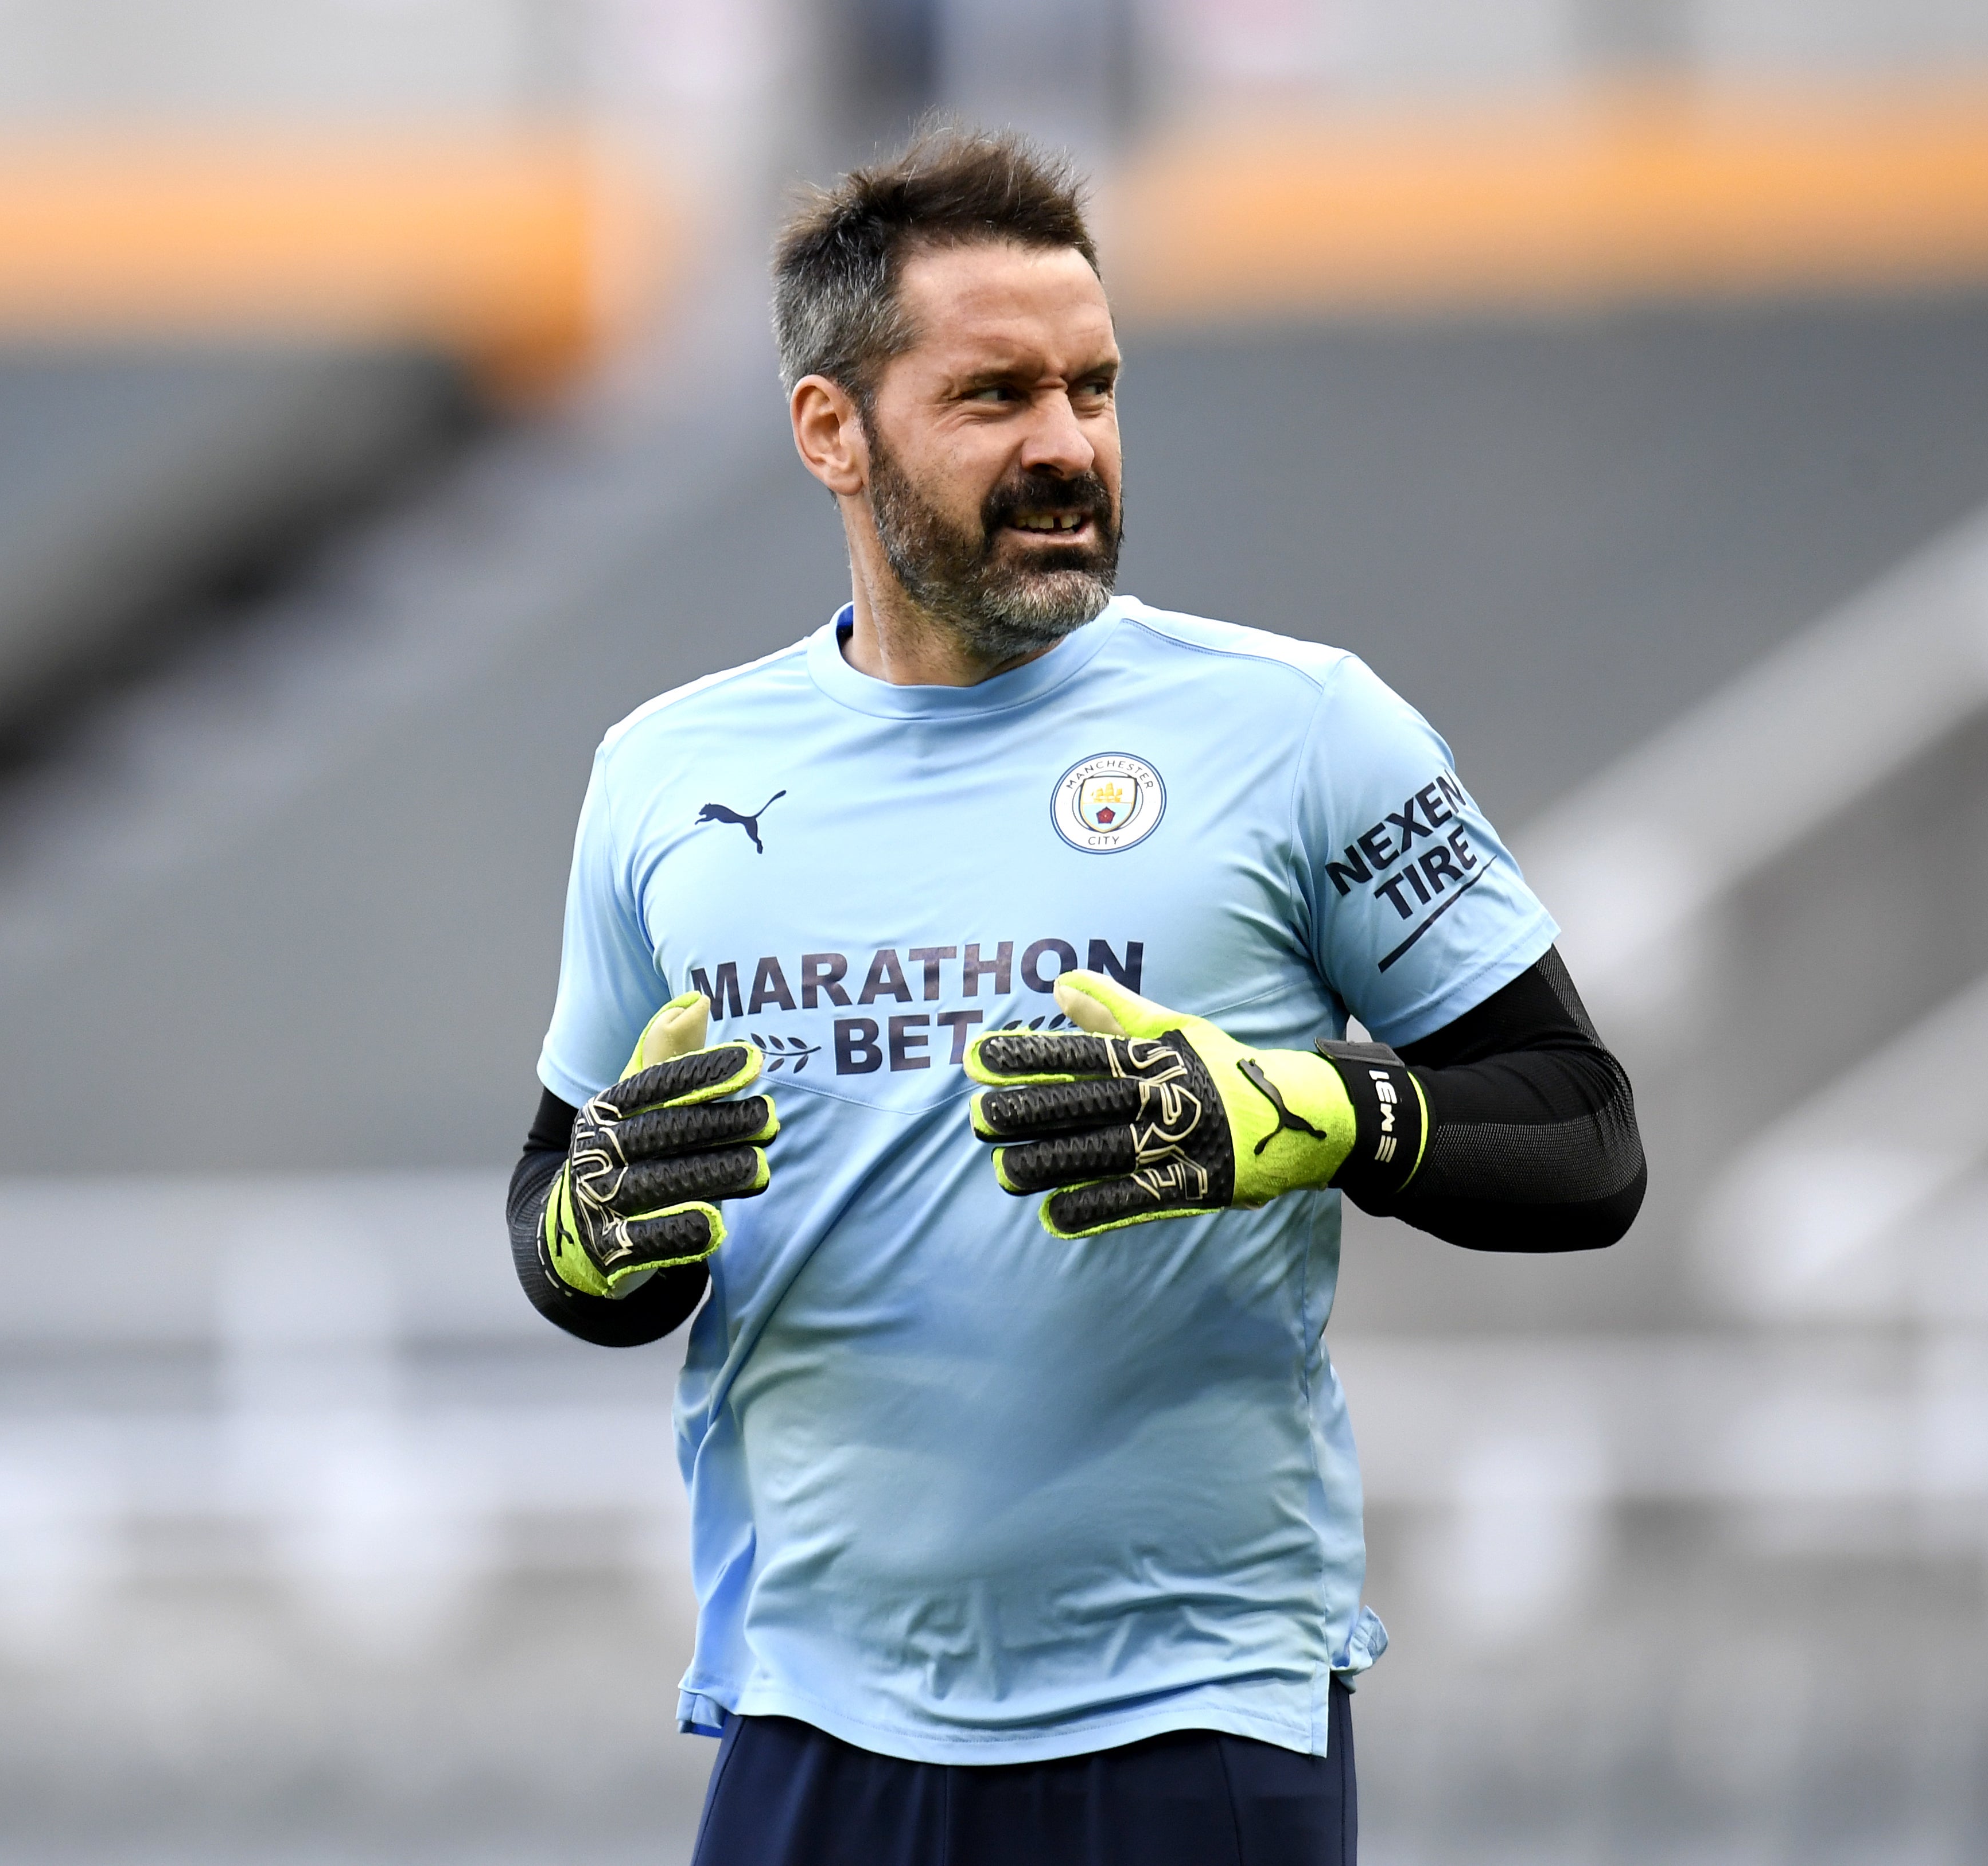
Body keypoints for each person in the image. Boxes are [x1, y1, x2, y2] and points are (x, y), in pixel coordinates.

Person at [505, 128, 1645, 1866]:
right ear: (831, 430)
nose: (1066, 446)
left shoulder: (1301, 730)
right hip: (814, 1715)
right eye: (992, 395)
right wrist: (593, 1231)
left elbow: (1584, 1135)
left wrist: (1320, 1112)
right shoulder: (664, 775)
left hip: (1194, 1717)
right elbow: (560, 1205)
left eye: (1093, 388)